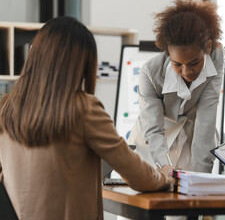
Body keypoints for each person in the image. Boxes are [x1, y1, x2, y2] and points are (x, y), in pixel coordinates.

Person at [0, 16, 173, 220]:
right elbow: (136, 173)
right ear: (83, 64)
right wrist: (165, 176)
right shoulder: (84, 108)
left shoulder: (6, 108)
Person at [128, 0, 224, 173]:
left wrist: (200, 179)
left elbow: (206, 118)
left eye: (194, 63)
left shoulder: (217, 56)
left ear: (208, 47)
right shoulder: (150, 72)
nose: (187, 71)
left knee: (193, 186)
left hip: (192, 138)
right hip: (153, 146)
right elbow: (155, 130)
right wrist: (165, 167)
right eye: (177, 64)